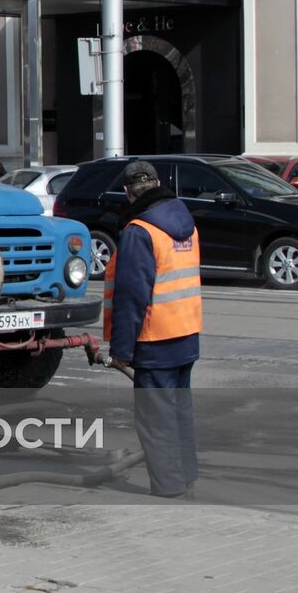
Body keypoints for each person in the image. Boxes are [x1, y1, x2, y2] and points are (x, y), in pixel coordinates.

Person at [104, 160, 203, 499]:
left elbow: (132, 296)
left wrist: (121, 351)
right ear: (159, 183)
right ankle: (186, 476)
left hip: (155, 339)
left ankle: (169, 487)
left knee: (155, 418)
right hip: (187, 333)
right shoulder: (186, 224)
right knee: (179, 411)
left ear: (128, 193)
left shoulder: (139, 231)